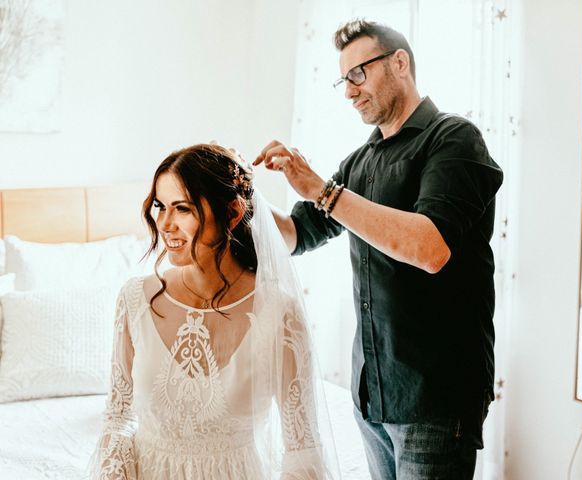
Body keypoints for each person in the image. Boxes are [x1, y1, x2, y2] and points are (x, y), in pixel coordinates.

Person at [253, 19, 504, 480]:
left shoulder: (454, 140)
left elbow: (430, 248)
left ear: (399, 63)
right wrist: (243, 196)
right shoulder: (360, 162)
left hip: (436, 399)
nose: (349, 92)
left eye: (358, 74)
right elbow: (295, 236)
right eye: (343, 80)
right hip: (371, 393)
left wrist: (323, 191)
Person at [90, 144, 338, 479]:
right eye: (160, 207)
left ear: (233, 213)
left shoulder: (279, 312)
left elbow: (301, 448)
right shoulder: (136, 299)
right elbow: (119, 415)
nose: (165, 224)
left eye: (183, 209)